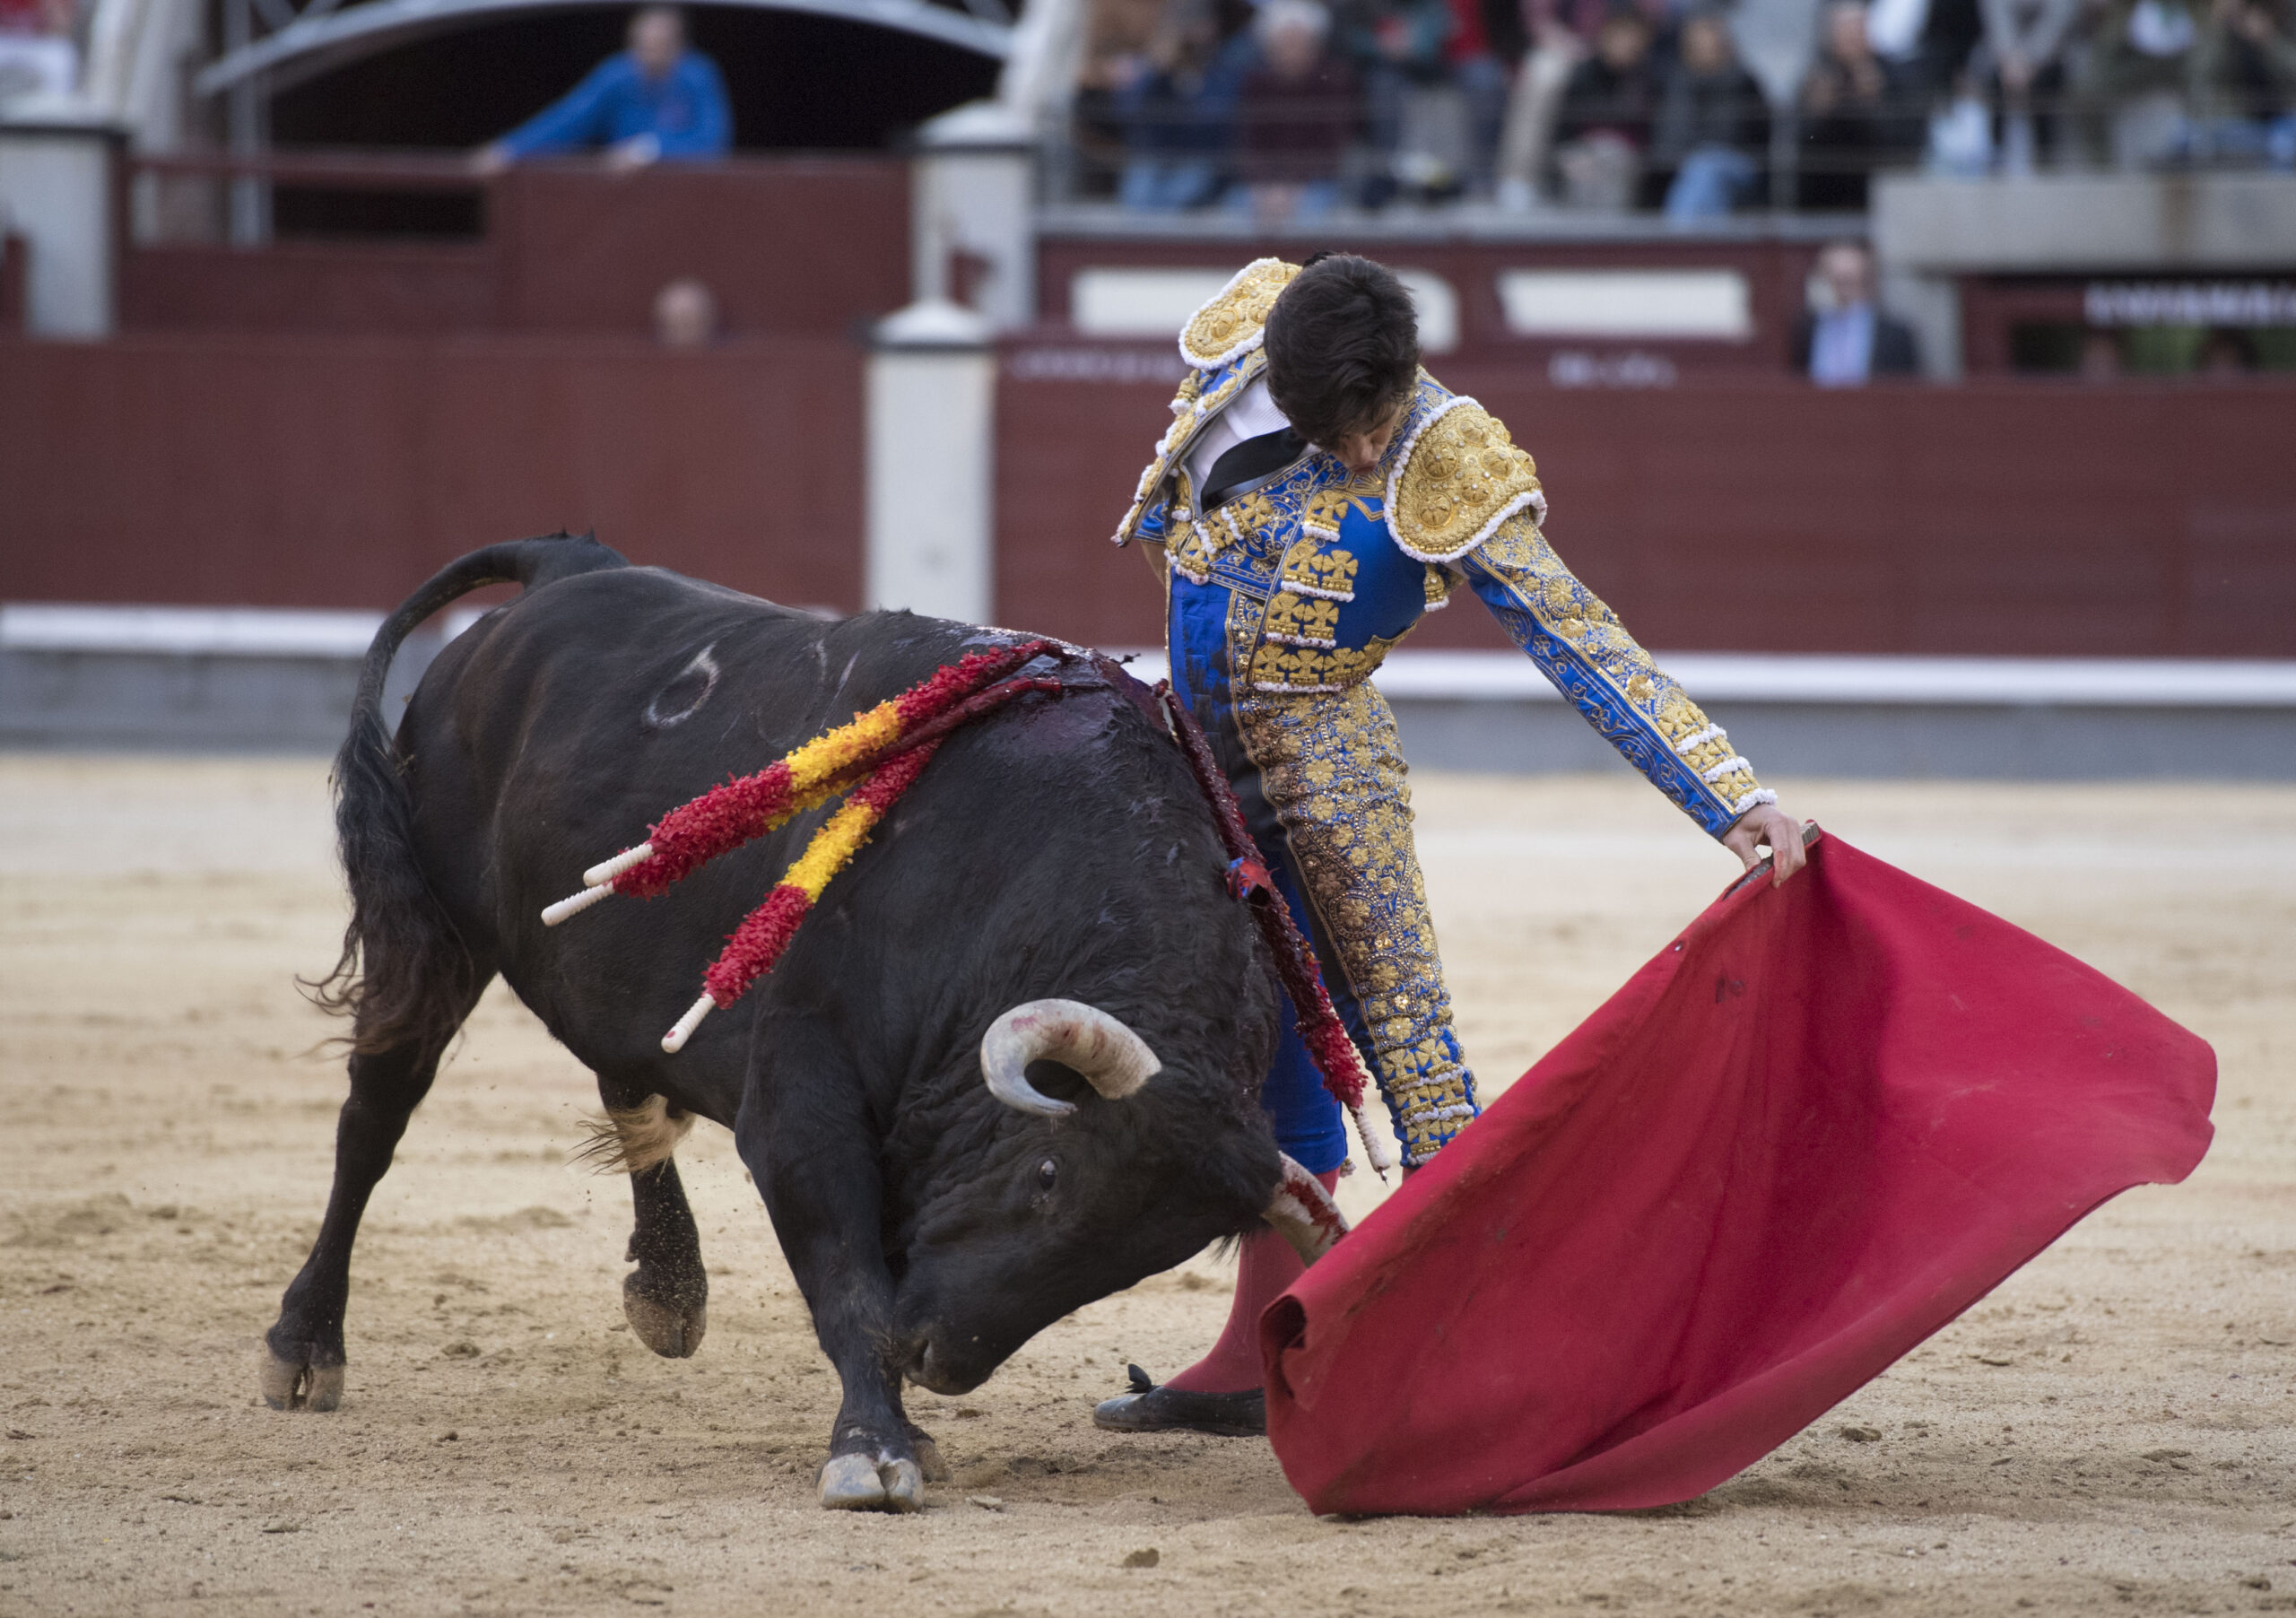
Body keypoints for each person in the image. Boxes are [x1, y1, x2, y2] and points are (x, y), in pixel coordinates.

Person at [1092, 254, 1806, 1436]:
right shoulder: (1239, 348)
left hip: (1327, 780)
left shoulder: (1449, 453)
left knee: (1415, 1065)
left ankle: (1510, 1359)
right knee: (1262, 1051)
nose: (1372, 455)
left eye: (1378, 426)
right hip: (1192, 763)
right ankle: (1254, 1353)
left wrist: (1729, 797)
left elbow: (1580, 638)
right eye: (1346, 433)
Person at [473, 5, 730, 174]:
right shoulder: (617, 75)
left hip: (684, 196)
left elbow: (713, 142)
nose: (649, 57)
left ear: (680, 46)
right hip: (625, 197)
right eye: (642, 46)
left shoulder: (698, 75)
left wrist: (649, 150)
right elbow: (570, 119)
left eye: (660, 46)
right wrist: (512, 149)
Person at [1233, 0, 1361, 221]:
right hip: (1265, 185)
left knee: (1309, 216)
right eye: (1285, 43)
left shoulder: (1333, 82)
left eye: (1299, 42)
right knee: (1234, 211)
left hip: (1317, 183)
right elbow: (1249, 143)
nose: (1292, 51)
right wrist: (1266, 186)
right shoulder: (1256, 84)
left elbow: (1332, 147)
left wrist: (1292, 187)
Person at [1796, 0, 1925, 208]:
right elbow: (1795, 140)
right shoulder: (1817, 76)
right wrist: (1817, 111)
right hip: (1823, 187)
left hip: (1879, 185)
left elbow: (1909, 141)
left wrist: (1875, 104)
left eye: (1857, 30)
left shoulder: (1892, 75)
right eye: (1845, 32)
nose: (1852, 39)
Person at [1653, 9, 1772, 219]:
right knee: (1702, 177)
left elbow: (1741, 135)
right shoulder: (1677, 83)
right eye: (1699, 41)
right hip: (1687, 166)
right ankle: (1701, 244)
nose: (1706, 46)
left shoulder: (1744, 82)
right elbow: (1670, 135)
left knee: (1705, 168)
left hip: (1739, 163)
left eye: (1712, 39)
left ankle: (1677, 242)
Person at [1553, 6, 1664, 207]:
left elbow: (1651, 132)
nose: (1628, 43)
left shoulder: (1649, 78)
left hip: (1627, 155)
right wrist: (1571, 153)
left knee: (1612, 156)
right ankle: (1581, 232)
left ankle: (1610, 232)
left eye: (1634, 37)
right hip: (1582, 151)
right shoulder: (1583, 73)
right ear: (1606, 37)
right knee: (1583, 166)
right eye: (1621, 35)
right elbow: (1562, 129)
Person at [1792, 239, 1922, 382]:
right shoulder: (1806, 329)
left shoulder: (1895, 335)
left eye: (1847, 280)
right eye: (1832, 279)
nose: (1841, 291)